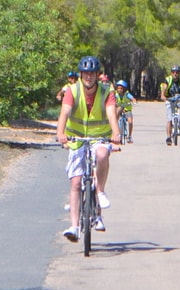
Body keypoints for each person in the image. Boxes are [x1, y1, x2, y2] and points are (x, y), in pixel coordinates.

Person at [55, 55, 121, 242]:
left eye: (92, 73)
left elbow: (111, 114)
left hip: (100, 137)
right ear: (80, 74)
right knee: (76, 182)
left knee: (101, 155)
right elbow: (64, 113)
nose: (88, 77)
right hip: (77, 139)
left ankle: (99, 192)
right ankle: (74, 226)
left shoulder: (107, 91)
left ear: (97, 75)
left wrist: (116, 135)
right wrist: (61, 133)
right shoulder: (72, 90)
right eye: (85, 73)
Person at [160, 65, 180, 145]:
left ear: (179, 73)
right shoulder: (168, 79)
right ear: (171, 73)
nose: (175, 74)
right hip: (169, 100)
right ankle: (168, 137)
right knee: (169, 120)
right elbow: (164, 88)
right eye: (173, 72)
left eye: (177, 72)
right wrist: (163, 96)